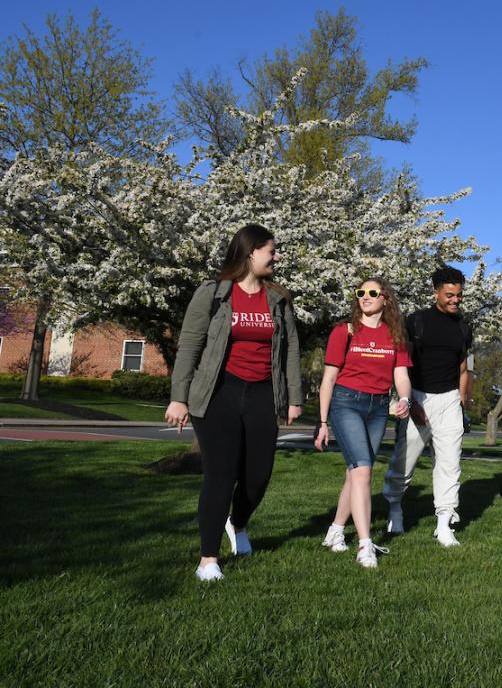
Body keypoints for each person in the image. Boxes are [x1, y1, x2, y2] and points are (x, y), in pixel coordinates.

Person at [165, 224, 303, 581]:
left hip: (262, 394)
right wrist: (179, 398)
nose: (276, 257)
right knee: (220, 474)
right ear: (251, 252)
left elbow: (290, 352)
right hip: (219, 393)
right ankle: (208, 559)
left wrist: (293, 398)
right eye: (271, 251)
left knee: (258, 475)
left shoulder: (278, 298)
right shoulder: (213, 294)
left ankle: (237, 523)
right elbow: (190, 347)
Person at [315, 278, 412, 568]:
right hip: (347, 403)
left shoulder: (395, 336)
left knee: (355, 473)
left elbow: (402, 376)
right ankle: (365, 544)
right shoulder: (344, 332)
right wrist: (322, 422)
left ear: (386, 299)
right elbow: (328, 379)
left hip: (379, 407)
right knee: (363, 472)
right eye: (361, 293)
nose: (365, 297)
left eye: (372, 293)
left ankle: (335, 530)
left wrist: (405, 399)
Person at [383, 266, 473, 547]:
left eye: (458, 295)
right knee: (403, 462)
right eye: (449, 295)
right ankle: (395, 508)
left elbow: (463, 370)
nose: (455, 300)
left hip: (449, 402)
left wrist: (462, 403)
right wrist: (407, 401)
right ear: (435, 292)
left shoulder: (463, 328)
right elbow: (401, 364)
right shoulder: (416, 322)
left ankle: (444, 523)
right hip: (416, 398)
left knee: (449, 464)